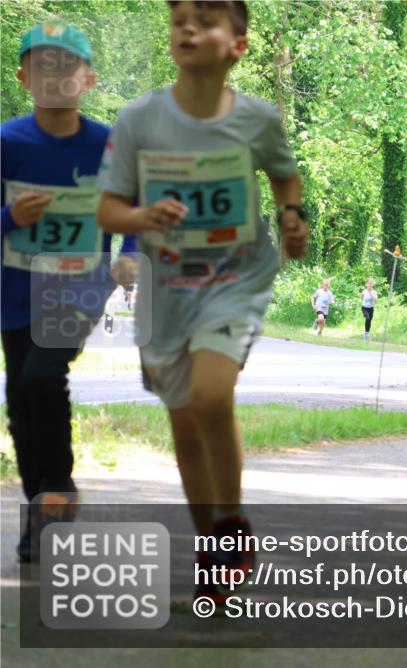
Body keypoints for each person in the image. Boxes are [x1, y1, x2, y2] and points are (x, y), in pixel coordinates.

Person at [97, 0, 308, 602]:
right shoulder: (139, 120)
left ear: (237, 45)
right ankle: (212, 553)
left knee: (213, 396)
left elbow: (284, 175)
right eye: (178, 18)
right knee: (185, 425)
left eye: (206, 19)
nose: (187, 27)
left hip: (234, 283)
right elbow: (109, 207)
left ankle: (232, 518)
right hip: (166, 291)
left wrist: (293, 216)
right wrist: (141, 217)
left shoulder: (258, 119)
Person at [1, 22, 137, 562]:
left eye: (67, 65)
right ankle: (42, 509)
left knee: (42, 375)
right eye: (43, 65)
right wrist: (10, 215)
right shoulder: (8, 143)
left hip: (79, 286)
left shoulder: (108, 144)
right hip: (14, 288)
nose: (55, 76)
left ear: (89, 80)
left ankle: (58, 492)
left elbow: (134, 207)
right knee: (20, 401)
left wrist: (127, 253)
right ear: (23, 77)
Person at [360, 277, 377, 342]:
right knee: (367, 318)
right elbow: (361, 298)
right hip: (364, 308)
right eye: (368, 283)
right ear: (366, 284)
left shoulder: (374, 292)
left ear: (372, 285)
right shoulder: (364, 291)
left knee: (369, 320)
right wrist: (362, 302)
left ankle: (367, 333)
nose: (369, 285)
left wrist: (371, 293)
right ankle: (366, 333)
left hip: (371, 308)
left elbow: (375, 300)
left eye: (371, 284)